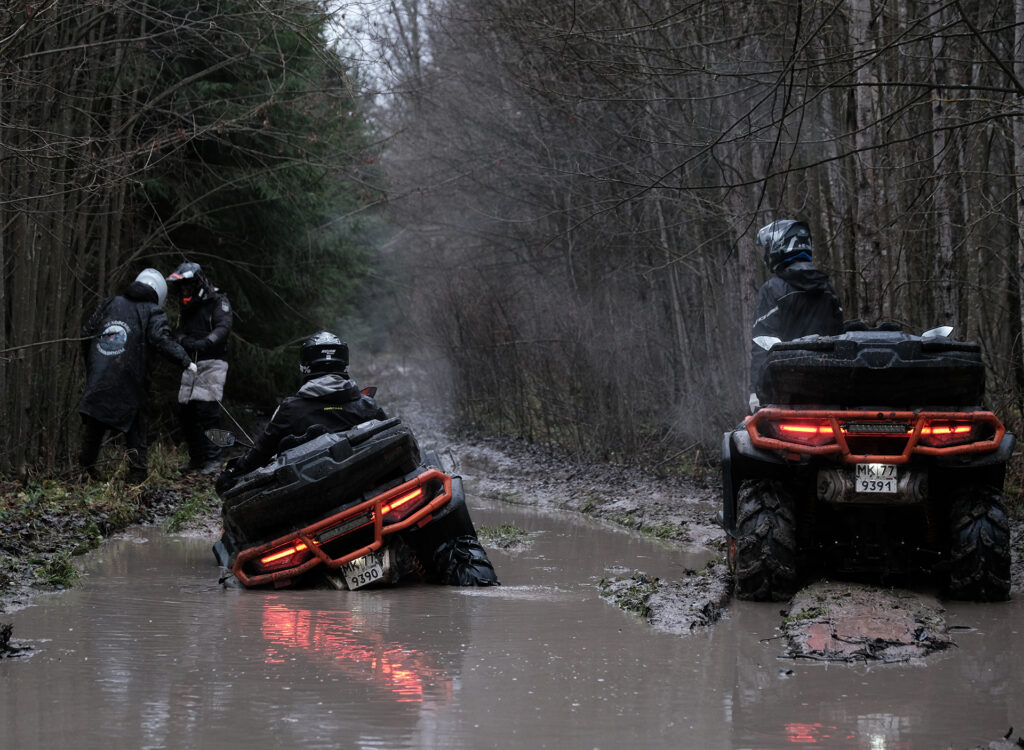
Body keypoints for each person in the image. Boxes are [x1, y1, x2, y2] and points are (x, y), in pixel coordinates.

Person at [216, 331, 386, 491]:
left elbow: (261, 452)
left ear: (306, 366)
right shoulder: (368, 405)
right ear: (344, 364)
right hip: (366, 490)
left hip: (308, 499)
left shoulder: (290, 410)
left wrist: (234, 471)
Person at [79, 268, 198, 483]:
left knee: (96, 423)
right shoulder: (153, 311)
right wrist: (185, 360)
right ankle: (136, 474)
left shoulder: (110, 303)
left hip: (100, 375)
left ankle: (85, 471)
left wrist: (94, 366)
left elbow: (87, 333)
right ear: (159, 294)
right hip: (130, 380)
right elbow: (161, 339)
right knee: (135, 424)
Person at [749, 219, 844, 411]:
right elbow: (839, 338)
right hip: (829, 392)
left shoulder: (773, 289)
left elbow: (763, 343)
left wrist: (755, 392)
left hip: (786, 394)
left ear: (778, 246)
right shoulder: (828, 289)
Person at [165, 261, 233, 473]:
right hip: (192, 362)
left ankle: (214, 458)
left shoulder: (217, 300)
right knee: (186, 412)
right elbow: (181, 330)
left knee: (208, 410)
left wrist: (208, 341)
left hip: (213, 361)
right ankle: (197, 458)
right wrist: (184, 340)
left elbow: (224, 326)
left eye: (187, 286)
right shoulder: (188, 305)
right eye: (182, 286)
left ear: (198, 282)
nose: (184, 290)